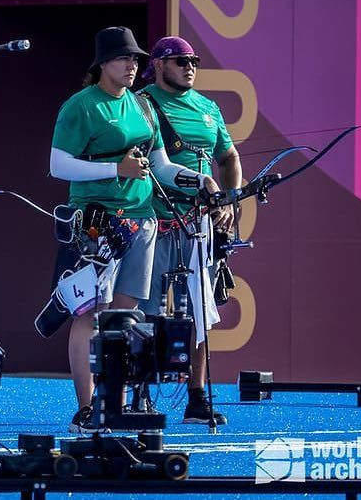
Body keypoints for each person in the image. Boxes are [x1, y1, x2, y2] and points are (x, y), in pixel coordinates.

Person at [48, 27, 221, 434]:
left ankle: (116, 404)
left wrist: (200, 181)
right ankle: (87, 408)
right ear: (103, 64)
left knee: (126, 315)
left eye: (136, 60)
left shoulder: (143, 108)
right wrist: (115, 169)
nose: (132, 65)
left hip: (141, 220)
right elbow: (58, 165)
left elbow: (160, 166)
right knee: (90, 313)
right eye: (124, 59)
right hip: (96, 221)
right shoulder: (80, 106)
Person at [138, 36, 242, 425]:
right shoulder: (141, 103)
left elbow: (228, 157)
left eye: (193, 60)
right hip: (152, 219)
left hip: (197, 223)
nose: (189, 66)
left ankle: (197, 398)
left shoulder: (208, 108)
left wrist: (231, 200)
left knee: (200, 309)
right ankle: (140, 393)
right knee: (144, 309)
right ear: (159, 65)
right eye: (180, 60)